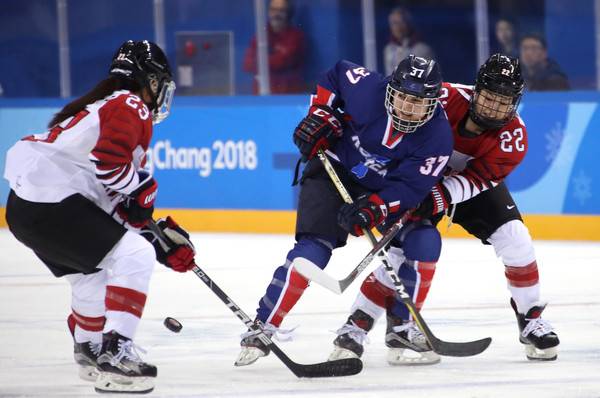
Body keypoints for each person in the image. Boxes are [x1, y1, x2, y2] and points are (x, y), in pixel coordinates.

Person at [329, 54, 560, 366]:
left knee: (516, 237)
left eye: (504, 102)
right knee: (398, 254)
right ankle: (357, 325)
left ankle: (531, 319)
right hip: (418, 179)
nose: (494, 108)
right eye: (490, 97)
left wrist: (438, 196)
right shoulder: (443, 98)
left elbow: (479, 178)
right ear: (476, 91)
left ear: (516, 102)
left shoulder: (514, 138)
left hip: (467, 185)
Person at [234, 54, 453, 367]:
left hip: (382, 188)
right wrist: (321, 114)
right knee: (314, 249)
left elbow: (410, 189)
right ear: (391, 90)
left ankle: (402, 327)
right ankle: (263, 325)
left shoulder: (438, 137)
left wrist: (375, 209)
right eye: (403, 97)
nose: (407, 107)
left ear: (433, 103)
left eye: (418, 103)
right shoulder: (368, 90)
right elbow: (336, 73)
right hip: (333, 169)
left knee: (424, 240)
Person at [3, 40, 197, 394]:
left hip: (25, 209)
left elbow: (113, 207)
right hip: (51, 201)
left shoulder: (102, 108)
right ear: (151, 82)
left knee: (91, 276)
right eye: (160, 85)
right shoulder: (130, 104)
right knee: (134, 254)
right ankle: (117, 353)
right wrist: (141, 191)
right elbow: (109, 166)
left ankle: (89, 349)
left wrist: (158, 238)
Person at [243, 0, 306, 94]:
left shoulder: (296, 37)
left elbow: (282, 61)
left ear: (289, 13)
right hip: (261, 94)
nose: (277, 14)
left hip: (288, 95)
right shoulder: (260, 35)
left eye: (281, 10)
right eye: (273, 9)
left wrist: (262, 61)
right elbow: (247, 64)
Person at [383, 7, 434, 76]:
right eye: (393, 23)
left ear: (407, 24)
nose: (397, 27)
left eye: (400, 22)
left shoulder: (422, 49)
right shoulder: (388, 49)